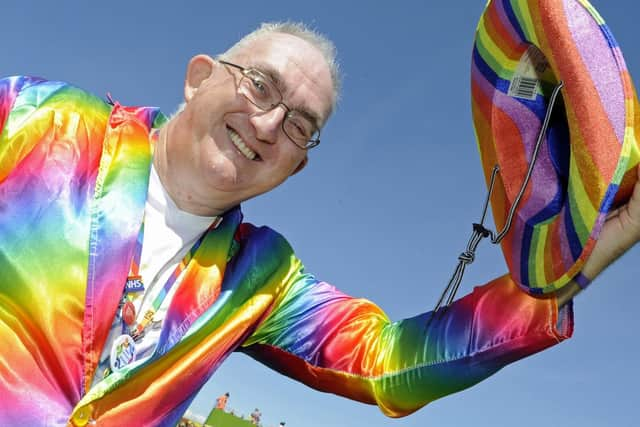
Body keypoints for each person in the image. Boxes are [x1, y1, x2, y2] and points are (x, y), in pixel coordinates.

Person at [0, 20, 638, 427]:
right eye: (260, 85)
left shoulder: (262, 277)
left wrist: (583, 260)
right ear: (198, 79)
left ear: (296, 168)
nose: (271, 125)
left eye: (302, 126)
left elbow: (390, 361)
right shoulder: (35, 119)